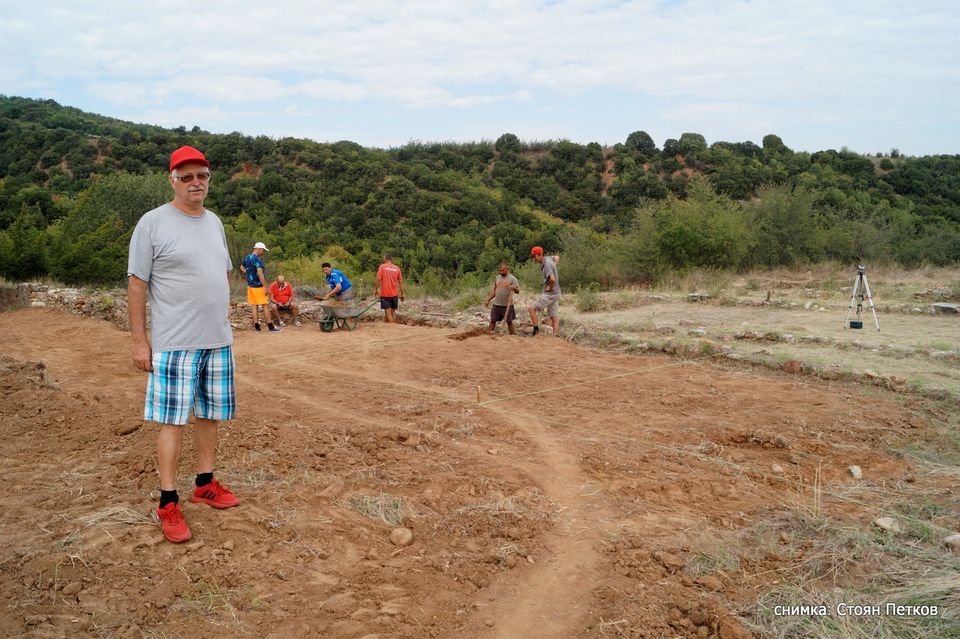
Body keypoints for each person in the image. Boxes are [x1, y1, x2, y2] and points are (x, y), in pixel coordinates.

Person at [127, 145, 240, 544]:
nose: (196, 183)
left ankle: (205, 483)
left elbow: (223, 274)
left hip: (217, 341)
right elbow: (137, 285)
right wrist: (141, 342)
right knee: (172, 421)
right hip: (174, 344)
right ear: (172, 179)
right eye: (187, 176)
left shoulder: (215, 223)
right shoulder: (152, 223)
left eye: (202, 176)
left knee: (209, 414)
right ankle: (168, 501)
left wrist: (221, 317)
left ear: (209, 180)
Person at [240, 242, 280, 333]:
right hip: (258, 286)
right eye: (263, 250)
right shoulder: (258, 259)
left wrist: (249, 273)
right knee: (265, 305)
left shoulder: (247, 257)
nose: (263, 252)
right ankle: (270, 326)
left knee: (254, 305)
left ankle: (256, 327)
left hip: (250, 286)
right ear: (258, 249)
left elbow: (241, 267)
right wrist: (265, 287)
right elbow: (260, 273)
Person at [528, 246, 561, 336]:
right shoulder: (549, 258)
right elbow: (557, 257)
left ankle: (536, 331)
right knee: (554, 316)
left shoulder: (546, 264)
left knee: (531, 309)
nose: (533, 259)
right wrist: (554, 267)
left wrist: (549, 287)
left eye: (534, 257)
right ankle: (555, 337)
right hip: (556, 293)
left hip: (550, 293)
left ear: (540, 255)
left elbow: (552, 279)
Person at [485, 262, 520, 335]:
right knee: (493, 320)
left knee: (509, 322)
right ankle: (488, 335)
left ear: (507, 269)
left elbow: (518, 291)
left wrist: (514, 288)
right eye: (500, 270)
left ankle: (512, 336)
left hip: (507, 304)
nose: (501, 272)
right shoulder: (497, 277)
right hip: (496, 304)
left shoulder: (512, 279)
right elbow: (494, 290)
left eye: (503, 270)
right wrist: (488, 299)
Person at [375, 253, 405, 323]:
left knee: (388, 313)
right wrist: (402, 294)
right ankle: (391, 327)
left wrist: (376, 289)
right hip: (394, 294)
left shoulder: (382, 267)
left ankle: (392, 328)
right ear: (391, 259)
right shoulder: (397, 268)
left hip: (385, 294)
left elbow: (378, 279)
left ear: (385, 259)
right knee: (393, 312)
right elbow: (401, 283)